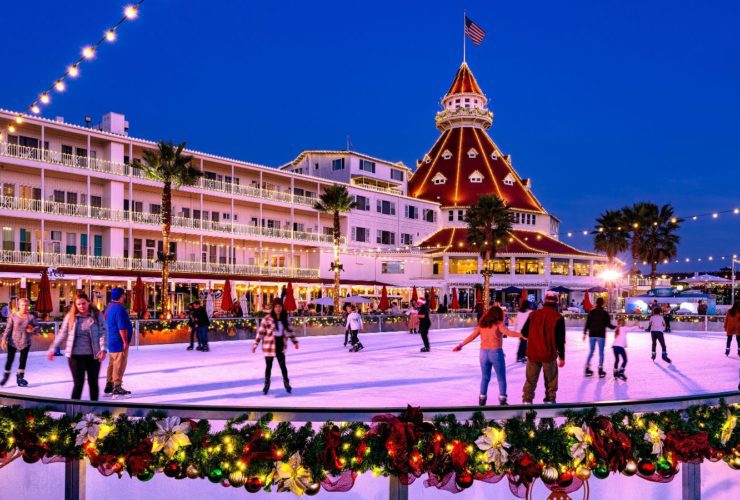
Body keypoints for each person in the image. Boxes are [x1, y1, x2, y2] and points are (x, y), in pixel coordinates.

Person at [453, 306, 521, 406]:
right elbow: (508, 332)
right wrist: (521, 335)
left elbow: (472, 336)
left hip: (483, 353)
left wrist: (460, 345)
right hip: (496, 353)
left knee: (485, 377)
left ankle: (482, 399)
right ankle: (502, 399)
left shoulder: (482, 325)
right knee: (501, 377)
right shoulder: (498, 324)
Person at [47, 293, 108, 400]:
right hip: (75, 356)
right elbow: (63, 333)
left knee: (93, 382)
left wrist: (103, 349)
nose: (81, 306)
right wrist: (53, 347)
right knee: (78, 384)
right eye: (78, 304)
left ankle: (93, 409)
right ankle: (74, 411)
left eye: (83, 303)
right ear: (75, 305)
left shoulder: (97, 316)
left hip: (93, 355)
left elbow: (103, 332)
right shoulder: (71, 317)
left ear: (88, 302)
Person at [519, 291, 565, 404]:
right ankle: (549, 401)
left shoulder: (533, 314)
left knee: (530, 380)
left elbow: (524, 333)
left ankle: (527, 402)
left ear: (544, 302)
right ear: (556, 303)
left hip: (533, 353)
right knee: (551, 381)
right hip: (548, 355)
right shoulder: (558, 317)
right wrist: (562, 357)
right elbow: (560, 340)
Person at [253, 298, 299, 394]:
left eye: (280, 307)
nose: (278, 309)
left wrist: (295, 341)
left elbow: (290, 331)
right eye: (276, 307)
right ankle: (266, 385)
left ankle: (287, 383)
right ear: (273, 308)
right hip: (269, 345)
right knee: (268, 366)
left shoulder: (285, 318)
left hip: (280, 344)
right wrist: (256, 343)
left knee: (283, 366)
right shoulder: (267, 319)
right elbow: (261, 332)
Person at [1, 298, 40, 387]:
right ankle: (6, 376)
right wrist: (4, 339)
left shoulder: (31, 317)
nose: (24, 307)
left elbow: (38, 328)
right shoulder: (13, 316)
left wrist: (33, 329)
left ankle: (20, 377)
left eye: (26, 305)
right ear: (19, 305)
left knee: (23, 360)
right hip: (13, 341)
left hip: (25, 341)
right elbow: (8, 328)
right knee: (10, 360)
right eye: (22, 305)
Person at [103, 288, 133, 397]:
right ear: (121, 296)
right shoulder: (119, 309)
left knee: (112, 363)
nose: (125, 297)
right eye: (123, 295)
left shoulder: (109, 307)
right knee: (119, 364)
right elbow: (122, 327)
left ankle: (109, 383)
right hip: (118, 341)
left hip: (111, 340)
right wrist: (125, 341)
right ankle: (117, 385)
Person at [582, 297, 616, 378]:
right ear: (603, 303)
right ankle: (600, 369)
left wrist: (584, 333)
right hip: (601, 335)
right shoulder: (605, 313)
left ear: (596, 303)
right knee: (601, 353)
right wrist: (616, 327)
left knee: (591, 351)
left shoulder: (592, 312)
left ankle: (587, 368)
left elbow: (587, 323)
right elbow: (608, 324)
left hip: (592, 334)